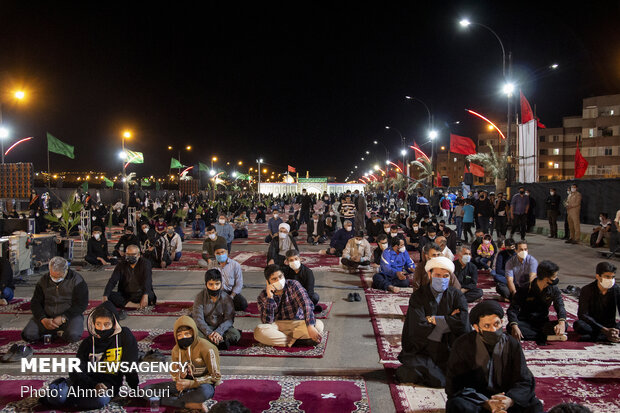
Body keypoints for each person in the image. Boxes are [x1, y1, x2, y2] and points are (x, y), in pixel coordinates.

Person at [445, 300, 543, 413]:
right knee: (456, 405)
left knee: (535, 406)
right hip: (477, 401)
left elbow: (524, 380)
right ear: (477, 328)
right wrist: (486, 403)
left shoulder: (512, 344)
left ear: (502, 322)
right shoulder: (462, 345)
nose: (493, 330)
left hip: (505, 399)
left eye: (496, 324)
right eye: (487, 326)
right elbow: (454, 385)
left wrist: (509, 400)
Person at [41, 302, 139, 411]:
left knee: (99, 400)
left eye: (106, 324)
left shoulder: (124, 336)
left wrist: (135, 388)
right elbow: (76, 370)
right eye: (98, 324)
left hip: (108, 384)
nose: (102, 329)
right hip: (85, 382)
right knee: (56, 397)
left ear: (114, 323)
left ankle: (70, 399)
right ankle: (64, 389)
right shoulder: (88, 343)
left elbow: (130, 366)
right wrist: (93, 384)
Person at [396, 257, 470, 387]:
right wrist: (449, 320)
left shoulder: (457, 295)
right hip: (425, 348)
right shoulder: (418, 296)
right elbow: (418, 327)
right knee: (430, 377)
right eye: (437, 275)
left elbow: (463, 323)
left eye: (445, 276)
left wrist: (435, 319)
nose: (441, 279)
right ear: (429, 274)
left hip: (450, 348)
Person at [144, 316, 221, 410]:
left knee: (203, 393)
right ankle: (188, 403)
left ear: (193, 332)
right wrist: (180, 376)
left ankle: (173, 401)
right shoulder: (176, 350)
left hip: (203, 385)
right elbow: (175, 373)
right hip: (184, 386)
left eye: (187, 334)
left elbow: (216, 376)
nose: (183, 337)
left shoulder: (207, 348)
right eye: (180, 335)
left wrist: (192, 383)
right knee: (146, 391)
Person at [254, 265, 324, 347]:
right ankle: (297, 342)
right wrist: (270, 298)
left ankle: (284, 340)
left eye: (280, 277)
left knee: (318, 325)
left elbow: (306, 304)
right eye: (274, 279)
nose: (279, 280)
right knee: (259, 331)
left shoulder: (293, 285)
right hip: (277, 326)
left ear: (283, 275)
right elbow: (267, 322)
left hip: (297, 323)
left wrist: (310, 326)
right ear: (268, 282)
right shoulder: (263, 296)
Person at [22, 256, 88, 343]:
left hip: (69, 317)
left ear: (66, 271)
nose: (55, 279)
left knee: (73, 335)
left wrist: (63, 318)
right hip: (47, 316)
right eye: (52, 276)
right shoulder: (43, 281)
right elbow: (35, 302)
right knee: (28, 335)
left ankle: (58, 333)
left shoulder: (77, 281)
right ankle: (53, 332)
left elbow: (81, 305)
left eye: (59, 276)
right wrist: (43, 319)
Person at [507, 260, 567, 344]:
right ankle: (545, 337)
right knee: (510, 328)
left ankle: (537, 335)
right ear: (546, 278)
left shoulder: (553, 289)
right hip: (526, 322)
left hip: (542, 322)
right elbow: (512, 309)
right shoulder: (526, 288)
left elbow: (560, 305)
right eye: (554, 276)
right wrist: (515, 326)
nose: (556, 279)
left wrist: (561, 323)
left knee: (565, 325)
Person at [193, 269, 241, 350]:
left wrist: (219, 332)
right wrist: (209, 333)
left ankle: (212, 342)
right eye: (210, 284)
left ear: (221, 284)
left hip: (222, 328)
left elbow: (229, 319)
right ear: (206, 284)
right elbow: (198, 319)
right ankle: (219, 342)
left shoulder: (226, 298)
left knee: (235, 334)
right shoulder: (200, 297)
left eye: (217, 284)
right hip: (206, 327)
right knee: (194, 334)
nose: (214, 287)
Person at [103, 245, 156, 318]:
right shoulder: (121, 264)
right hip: (126, 295)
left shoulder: (145, 263)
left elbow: (148, 280)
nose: (130, 256)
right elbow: (113, 280)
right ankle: (136, 305)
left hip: (141, 294)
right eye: (128, 254)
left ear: (139, 255)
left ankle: (132, 304)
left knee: (150, 295)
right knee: (110, 295)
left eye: (133, 255)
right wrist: (105, 296)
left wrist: (145, 295)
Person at [573, 261, 620, 343]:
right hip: (594, 325)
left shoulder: (616, 289)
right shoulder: (587, 289)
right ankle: (605, 336)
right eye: (607, 277)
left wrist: (617, 329)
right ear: (598, 276)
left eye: (612, 277)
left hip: (611, 325)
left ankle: (602, 336)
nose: (611, 280)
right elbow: (582, 314)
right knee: (579, 325)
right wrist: (603, 329)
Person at [213, 246, 248, 311]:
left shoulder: (235, 265)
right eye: (217, 253)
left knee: (243, 304)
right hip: (218, 292)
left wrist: (231, 296)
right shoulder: (212, 265)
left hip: (231, 293)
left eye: (222, 252)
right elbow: (209, 282)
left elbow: (239, 284)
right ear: (214, 254)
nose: (220, 255)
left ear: (227, 252)